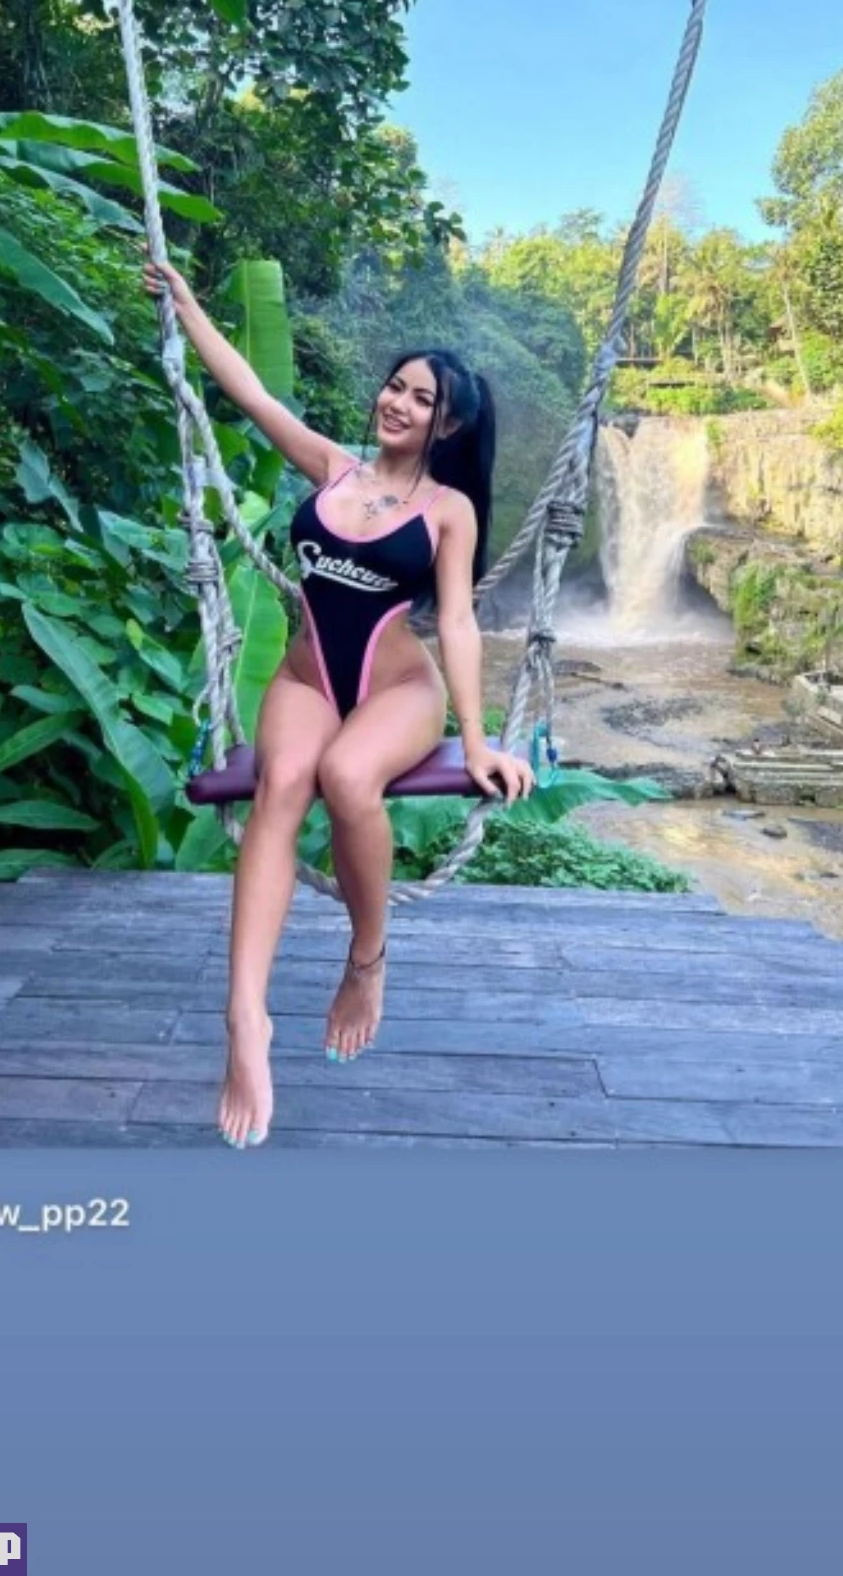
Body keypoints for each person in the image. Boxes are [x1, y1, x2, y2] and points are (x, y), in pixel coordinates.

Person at [142, 254, 535, 1148]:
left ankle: (367, 959)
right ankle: (245, 1018)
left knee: (350, 776)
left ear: (448, 422)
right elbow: (249, 391)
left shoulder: (449, 510)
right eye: (395, 386)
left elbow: (459, 623)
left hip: (398, 687)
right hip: (306, 678)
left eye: (421, 398)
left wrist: (477, 741)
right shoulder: (332, 467)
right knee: (282, 783)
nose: (398, 403)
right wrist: (190, 306)